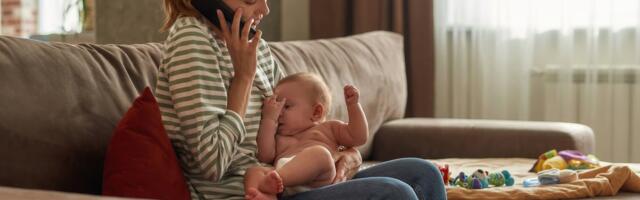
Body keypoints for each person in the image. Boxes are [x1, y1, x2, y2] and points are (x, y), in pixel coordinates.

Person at [158, 0, 448, 199]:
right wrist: (242, 79)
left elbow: (311, 130)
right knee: (395, 194)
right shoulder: (191, 41)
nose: (265, 9)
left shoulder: (254, 46)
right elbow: (211, 163)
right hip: (252, 192)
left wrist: (347, 156)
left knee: (424, 173)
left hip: (297, 182)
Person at [244, 73, 369, 199]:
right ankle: (265, 197)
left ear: (316, 112)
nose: (279, 113)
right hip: (284, 182)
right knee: (253, 171)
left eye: (286, 106)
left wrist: (354, 106)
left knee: (321, 154)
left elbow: (358, 137)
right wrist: (269, 119)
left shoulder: (328, 129)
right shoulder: (278, 136)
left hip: (318, 181)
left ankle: (275, 182)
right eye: (277, 106)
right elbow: (265, 156)